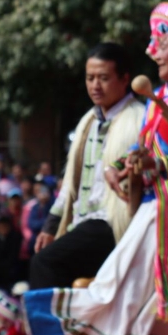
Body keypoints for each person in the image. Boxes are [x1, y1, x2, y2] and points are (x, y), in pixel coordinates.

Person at [23, 3, 168, 335]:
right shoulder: (160, 95)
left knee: (120, 291)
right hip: (148, 210)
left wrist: (152, 168)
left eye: (162, 42)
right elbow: (140, 151)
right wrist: (125, 167)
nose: (153, 50)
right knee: (121, 290)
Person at [30, 44, 147, 289]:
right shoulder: (88, 121)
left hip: (111, 223)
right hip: (83, 223)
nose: (95, 85)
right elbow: (70, 183)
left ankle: (51, 329)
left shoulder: (139, 119)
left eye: (103, 78)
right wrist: (51, 226)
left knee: (45, 263)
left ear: (125, 79)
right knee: (46, 258)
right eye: (90, 78)